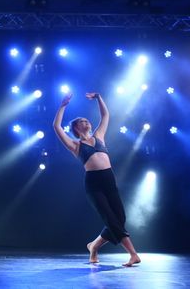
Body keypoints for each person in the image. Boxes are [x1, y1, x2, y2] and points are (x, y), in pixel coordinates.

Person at [53, 92, 141, 267]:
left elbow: (105, 115)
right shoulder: (75, 145)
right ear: (76, 128)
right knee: (110, 218)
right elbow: (56, 127)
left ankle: (93, 246)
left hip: (109, 178)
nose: (86, 122)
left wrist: (99, 98)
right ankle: (133, 254)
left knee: (120, 218)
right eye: (82, 121)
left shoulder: (99, 136)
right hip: (93, 184)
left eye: (87, 120)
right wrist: (63, 106)